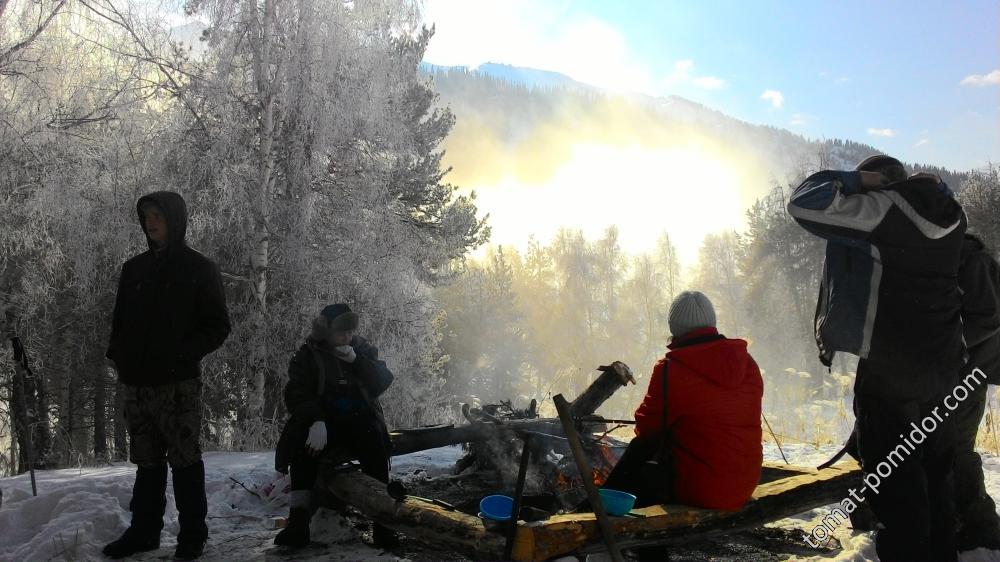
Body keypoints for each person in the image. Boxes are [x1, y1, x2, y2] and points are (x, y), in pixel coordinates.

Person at [788, 155, 967, 562]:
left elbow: (803, 202)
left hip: (890, 373)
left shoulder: (884, 209)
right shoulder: (953, 215)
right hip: (943, 372)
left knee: (897, 490)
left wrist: (857, 180)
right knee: (937, 484)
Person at [103, 191, 231, 560]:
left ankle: (192, 535)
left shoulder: (199, 269)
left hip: (178, 386)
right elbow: (120, 322)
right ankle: (144, 532)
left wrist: (182, 354)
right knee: (147, 463)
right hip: (137, 385)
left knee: (185, 462)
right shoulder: (134, 269)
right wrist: (120, 360)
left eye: (158, 215)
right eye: (146, 216)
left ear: (175, 219)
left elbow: (218, 326)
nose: (151, 222)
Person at [600, 291, 763, 511]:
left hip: (704, 491)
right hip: (743, 485)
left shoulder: (671, 369)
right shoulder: (747, 362)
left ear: (674, 327)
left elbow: (647, 427)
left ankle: (616, 523)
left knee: (641, 461)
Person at [274, 303, 396, 548]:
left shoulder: (362, 349)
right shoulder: (308, 354)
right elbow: (296, 393)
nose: (347, 337)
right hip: (324, 421)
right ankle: (298, 523)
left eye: (350, 332)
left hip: (360, 420)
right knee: (303, 450)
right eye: (342, 333)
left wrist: (357, 361)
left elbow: (383, 381)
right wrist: (315, 420)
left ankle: (384, 525)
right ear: (326, 331)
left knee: (375, 449)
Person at [953, 233, 1000, 551]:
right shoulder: (965, 260)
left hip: (970, 374)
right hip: (964, 370)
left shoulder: (975, 263)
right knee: (951, 447)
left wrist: (945, 347)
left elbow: (986, 320)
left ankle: (982, 527)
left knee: (957, 449)